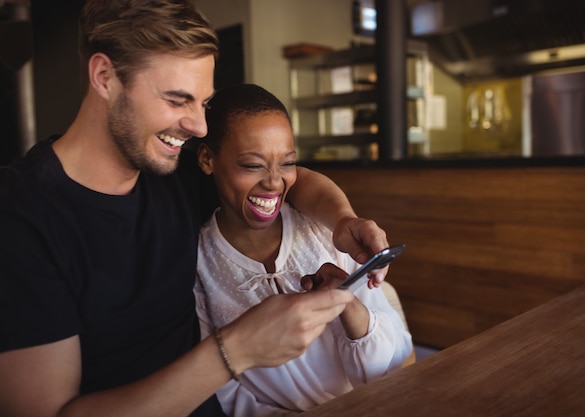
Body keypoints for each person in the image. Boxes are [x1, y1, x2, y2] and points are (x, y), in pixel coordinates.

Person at [0, 1, 390, 416]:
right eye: (177, 99)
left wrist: (343, 219)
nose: (199, 127)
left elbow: (292, 179)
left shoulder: (173, 168)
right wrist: (236, 350)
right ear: (104, 76)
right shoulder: (20, 216)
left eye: (202, 104)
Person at [193, 83, 413, 416]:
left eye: (287, 163)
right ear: (208, 158)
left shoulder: (321, 231)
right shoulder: (197, 263)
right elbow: (226, 395)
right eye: (253, 165)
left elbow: (391, 367)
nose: (273, 182)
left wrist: (347, 304)